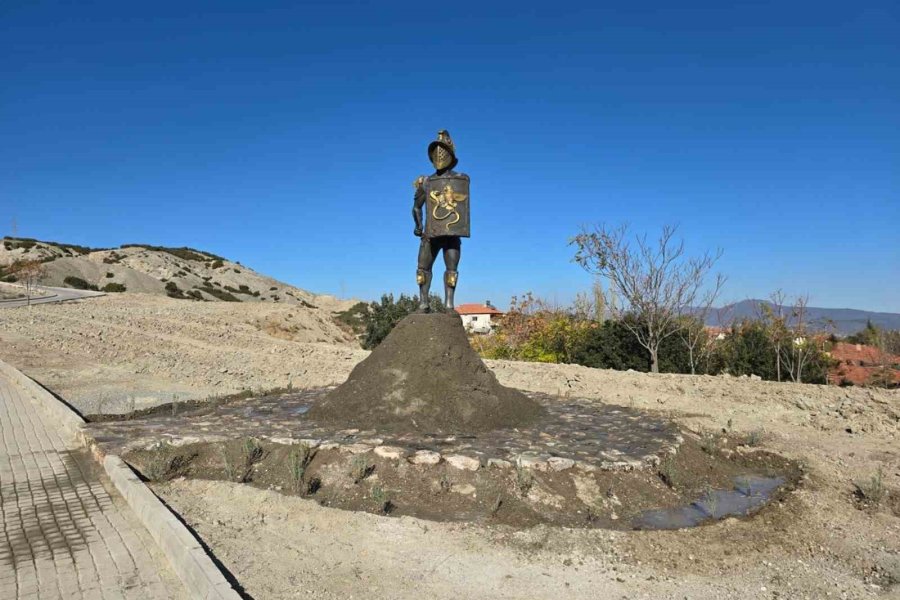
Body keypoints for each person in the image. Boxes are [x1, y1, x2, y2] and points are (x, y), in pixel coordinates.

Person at [412, 130, 470, 311]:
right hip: (431, 233)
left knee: (451, 269)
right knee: (423, 268)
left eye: (443, 150)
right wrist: (418, 226)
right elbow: (416, 207)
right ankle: (423, 302)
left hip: (451, 233)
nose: (439, 154)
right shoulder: (426, 182)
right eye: (436, 150)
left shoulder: (460, 179)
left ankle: (449, 304)